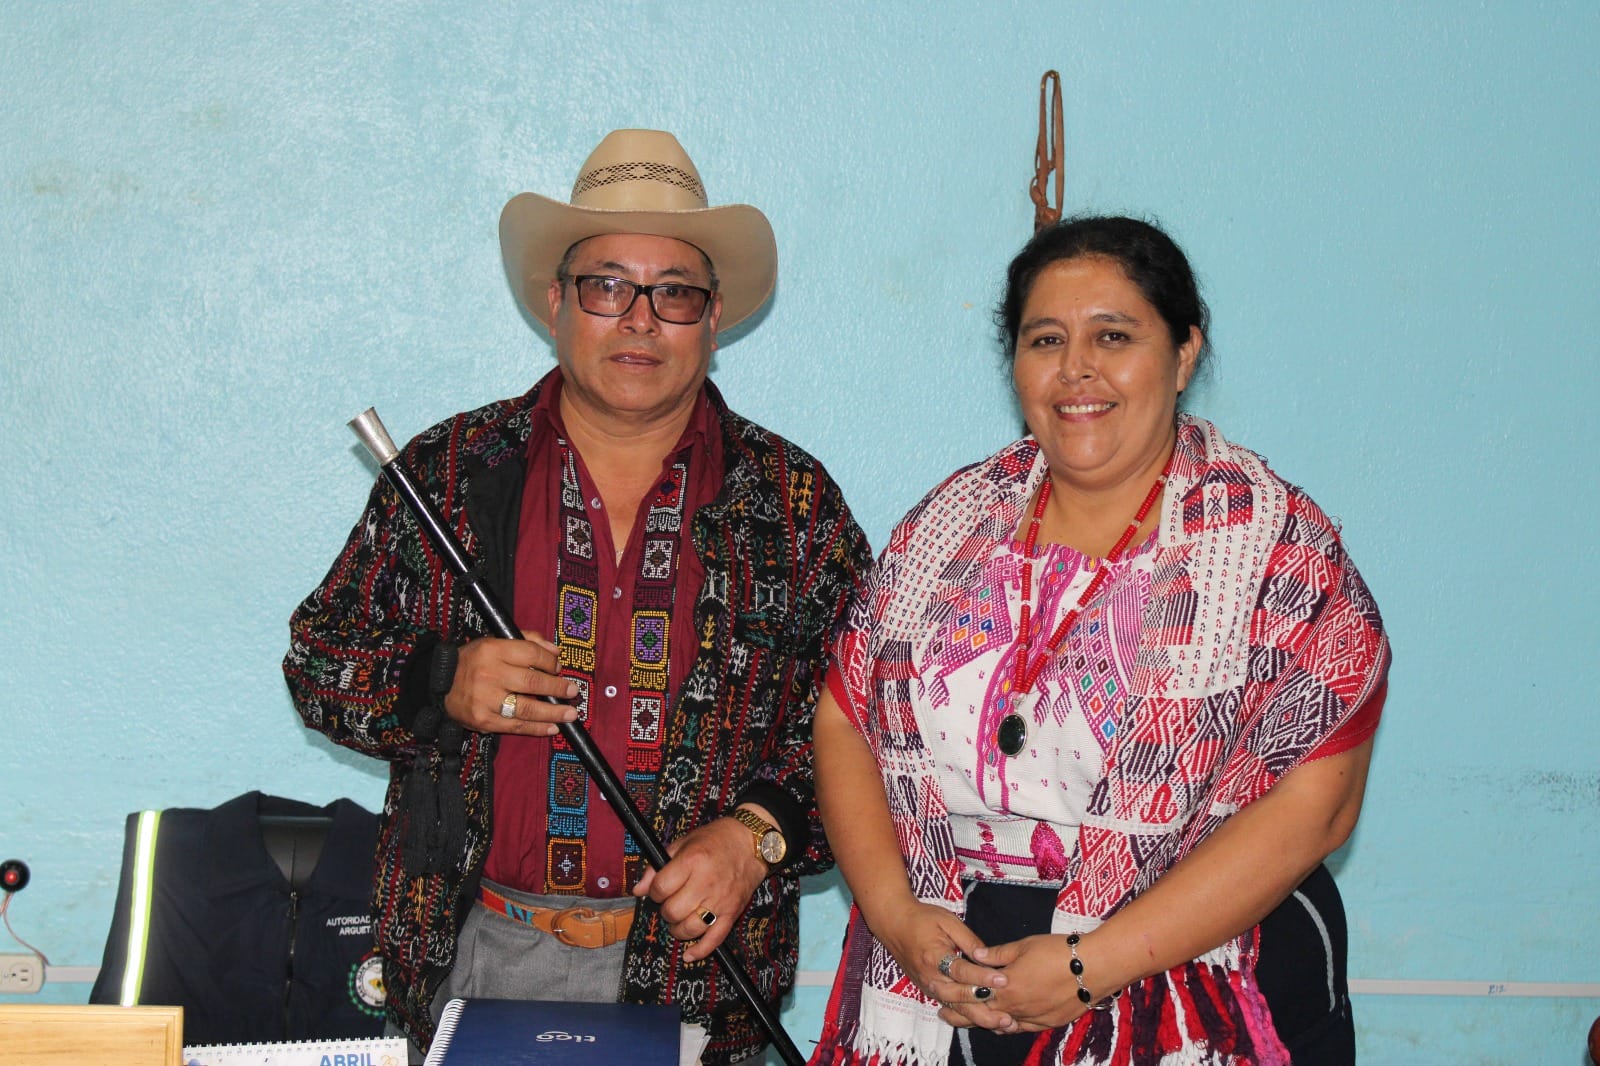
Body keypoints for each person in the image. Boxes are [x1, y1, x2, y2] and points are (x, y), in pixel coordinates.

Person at [284, 129, 870, 1066]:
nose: (640, 320)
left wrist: (755, 837)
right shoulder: (450, 471)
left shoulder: (792, 502)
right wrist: (440, 681)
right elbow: (318, 660)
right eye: (607, 286)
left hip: (699, 978)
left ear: (713, 317)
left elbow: (868, 725)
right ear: (557, 302)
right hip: (475, 953)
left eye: (674, 292)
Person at [810, 216, 1390, 1065]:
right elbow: (845, 719)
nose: (1076, 368)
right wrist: (898, 918)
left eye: (1113, 336)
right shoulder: (947, 528)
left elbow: (1319, 805)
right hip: (951, 979)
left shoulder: (1276, 549)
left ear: (1184, 353)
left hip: (1196, 976)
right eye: (1046, 339)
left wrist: (1092, 965)